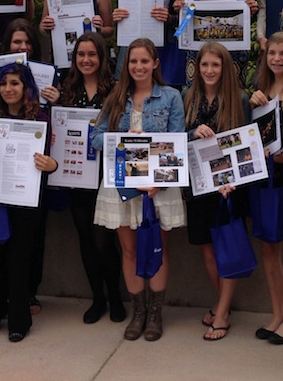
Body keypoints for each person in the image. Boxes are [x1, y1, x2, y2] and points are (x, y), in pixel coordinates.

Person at [91, 38, 186, 341]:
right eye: (133, 61)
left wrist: (157, 179)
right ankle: (139, 311)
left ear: (155, 64)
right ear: (126, 65)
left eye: (145, 61)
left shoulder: (171, 96)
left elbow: (177, 139)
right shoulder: (116, 97)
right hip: (122, 182)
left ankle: (156, 313)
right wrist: (123, 140)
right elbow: (96, 138)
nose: (139, 67)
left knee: (157, 248)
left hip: (157, 183)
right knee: (129, 249)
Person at [43, 32, 125, 324]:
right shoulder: (65, 89)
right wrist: (51, 106)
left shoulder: (115, 91)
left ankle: (116, 297)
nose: (86, 60)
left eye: (92, 54)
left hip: (106, 175)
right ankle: (98, 299)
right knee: (86, 241)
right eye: (81, 55)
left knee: (105, 240)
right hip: (75, 174)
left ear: (102, 58)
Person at [0, 62, 58, 342]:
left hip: (27, 198)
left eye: (14, 83)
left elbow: (52, 159)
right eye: (3, 84)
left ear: (26, 88)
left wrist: (52, 164)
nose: (8, 89)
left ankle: (19, 320)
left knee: (19, 259)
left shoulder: (42, 119)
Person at [183, 42, 251, 341]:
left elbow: (246, 145)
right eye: (204, 65)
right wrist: (191, 133)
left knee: (227, 250)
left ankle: (222, 312)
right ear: (197, 68)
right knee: (208, 252)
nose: (209, 70)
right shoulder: (188, 97)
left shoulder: (239, 99)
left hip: (228, 188)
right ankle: (223, 301)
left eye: (216, 65)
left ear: (225, 68)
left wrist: (233, 179)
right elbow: (174, 140)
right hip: (198, 187)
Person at [249, 32, 283, 345]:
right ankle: (276, 312)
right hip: (262, 177)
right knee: (268, 247)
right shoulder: (259, 89)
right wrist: (251, 105)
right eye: (272, 53)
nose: (277, 59)